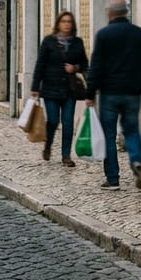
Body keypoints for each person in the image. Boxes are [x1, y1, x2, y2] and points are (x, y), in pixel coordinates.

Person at [85, 0, 141, 190]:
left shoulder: (103, 35)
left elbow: (96, 66)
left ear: (110, 13)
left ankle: (112, 179)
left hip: (109, 93)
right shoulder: (140, 34)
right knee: (132, 130)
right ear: (125, 12)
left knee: (109, 135)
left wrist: (90, 92)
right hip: (132, 92)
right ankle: (136, 160)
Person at [30, 11, 89, 167]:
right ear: (58, 24)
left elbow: (84, 64)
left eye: (69, 21)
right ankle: (48, 145)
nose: (67, 24)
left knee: (68, 123)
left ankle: (66, 156)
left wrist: (75, 68)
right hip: (50, 88)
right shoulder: (49, 42)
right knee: (53, 121)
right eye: (63, 21)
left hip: (69, 90)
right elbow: (40, 65)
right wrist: (35, 87)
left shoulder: (77, 42)